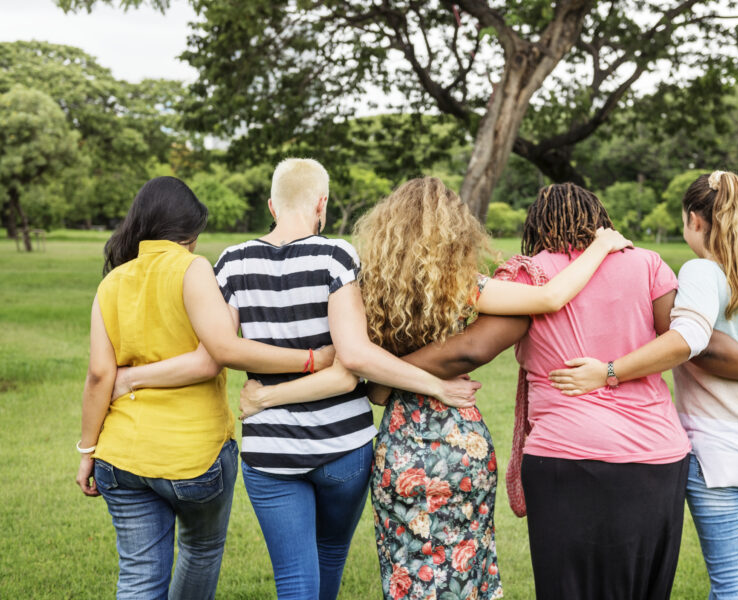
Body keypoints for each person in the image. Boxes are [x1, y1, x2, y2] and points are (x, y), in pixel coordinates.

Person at [370, 182, 738, 600]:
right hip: (657, 457)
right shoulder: (648, 264)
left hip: (567, 457)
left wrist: (386, 374)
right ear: (601, 221)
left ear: (537, 226)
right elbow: (693, 339)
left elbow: (471, 350)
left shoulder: (531, 273)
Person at [248, 176, 634, 600]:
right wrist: (600, 245)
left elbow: (363, 372)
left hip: (400, 446)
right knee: (467, 570)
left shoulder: (368, 288)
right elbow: (549, 298)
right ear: (455, 229)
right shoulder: (460, 285)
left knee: (407, 573)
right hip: (459, 444)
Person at [111, 162, 482, 600]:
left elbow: (219, 349)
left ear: (272, 205)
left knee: (294, 579)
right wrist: (436, 385)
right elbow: (353, 360)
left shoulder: (231, 262)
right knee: (329, 555)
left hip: (271, 453)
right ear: (321, 204)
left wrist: (263, 396)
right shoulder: (337, 256)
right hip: (344, 447)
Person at [548, 171, 738, 599]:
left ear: (693, 220)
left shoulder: (701, 271)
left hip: (721, 461)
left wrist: (608, 371)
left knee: (736, 586)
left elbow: (689, 340)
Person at [76, 176, 344, 599]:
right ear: (190, 232)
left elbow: (97, 376)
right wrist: (310, 359)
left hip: (119, 455)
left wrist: (87, 451)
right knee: (200, 550)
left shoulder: (112, 281)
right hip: (193, 457)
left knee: (139, 577)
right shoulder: (192, 268)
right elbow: (217, 352)